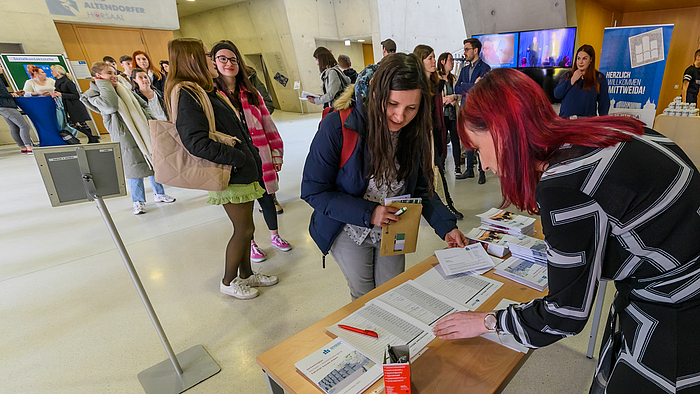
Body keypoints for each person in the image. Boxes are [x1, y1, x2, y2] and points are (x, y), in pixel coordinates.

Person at [434, 67, 700, 394]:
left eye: (478, 149)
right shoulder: (599, 130)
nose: (485, 165)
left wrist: (488, 321)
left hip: (679, 309)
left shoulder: (564, 185)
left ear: (501, 131)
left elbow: (565, 314)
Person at [301, 53, 467, 300]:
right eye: (392, 104)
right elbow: (314, 191)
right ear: (376, 94)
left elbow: (420, 188)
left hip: (395, 226)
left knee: (393, 291)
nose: (400, 117)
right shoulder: (338, 126)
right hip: (348, 228)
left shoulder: (414, 132)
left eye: (411, 107)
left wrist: (446, 227)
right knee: (364, 294)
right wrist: (371, 213)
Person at [167, 38, 277, 299]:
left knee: (247, 228)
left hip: (240, 171)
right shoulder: (187, 93)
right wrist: (238, 157)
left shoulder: (204, 89)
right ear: (192, 60)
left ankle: (247, 276)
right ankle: (228, 282)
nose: (212, 59)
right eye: (207, 55)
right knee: (244, 230)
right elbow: (196, 142)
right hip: (231, 174)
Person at [210, 40, 292, 264]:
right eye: (223, 59)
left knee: (268, 197)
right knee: (245, 206)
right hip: (235, 159)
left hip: (260, 156)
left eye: (233, 59)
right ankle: (252, 244)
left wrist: (276, 154)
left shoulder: (251, 93)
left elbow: (268, 125)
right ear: (214, 63)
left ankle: (275, 236)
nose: (229, 63)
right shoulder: (212, 96)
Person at [81, 62, 175, 215]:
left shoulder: (123, 88)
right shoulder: (91, 94)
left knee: (151, 161)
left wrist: (151, 122)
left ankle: (159, 193)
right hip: (123, 134)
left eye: (114, 72)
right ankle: (138, 201)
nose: (113, 76)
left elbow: (143, 105)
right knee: (133, 168)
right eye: (108, 73)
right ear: (98, 77)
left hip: (142, 129)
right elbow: (110, 105)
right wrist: (103, 84)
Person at [414, 45, 463, 220]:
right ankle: (440, 208)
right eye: (430, 58)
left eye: (434, 57)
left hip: (435, 134)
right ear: (420, 61)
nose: (434, 61)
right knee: (425, 175)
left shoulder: (436, 84)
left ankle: (444, 207)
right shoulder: (416, 86)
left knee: (438, 170)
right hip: (420, 137)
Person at [455, 38, 491, 184]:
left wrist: (465, 85)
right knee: (468, 140)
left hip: (479, 110)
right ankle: (469, 170)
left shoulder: (485, 68)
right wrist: (470, 85)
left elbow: (480, 88)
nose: (464, 53)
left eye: (467, 49)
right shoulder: (464, 69)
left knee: (480, 141)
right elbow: (457, 87)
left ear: (475, 50)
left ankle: (482, 171)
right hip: (465, 109)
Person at [554, 44, 610, 118]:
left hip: (587, 124)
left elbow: (604, 103)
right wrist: (572, 80)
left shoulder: (599, 78)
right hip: (566, 122)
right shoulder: (568, 75)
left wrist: (603, 122)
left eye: (584, 59)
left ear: (591, 60)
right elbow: (557, 94)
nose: (580, 62)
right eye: (578, 58)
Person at [51, 65, 100, 143]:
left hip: (74, 106)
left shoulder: (68, 82)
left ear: (58, 72)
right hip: (67, 105)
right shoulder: (57, 82)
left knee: (81, 123)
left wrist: (62, 95)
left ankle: (92, 138)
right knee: (73, 124)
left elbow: (76, 95)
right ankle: (92, 137)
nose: (51, 72)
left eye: (52, 71)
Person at [437, 52, 461, 175]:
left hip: (452, 114)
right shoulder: (436, 78)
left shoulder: (455, 78)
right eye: (450, 60)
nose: (452, 63)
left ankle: (457, 167)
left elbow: (460, 93)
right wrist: (444, 100)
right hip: (441, 115)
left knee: (455, 139)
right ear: (443, 62)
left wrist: (454, 97)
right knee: (442, 141)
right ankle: (441, 166)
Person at [0, 66, 33, 153]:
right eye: (0, 66)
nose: (2, 68)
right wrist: (12, 95)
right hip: (6, 106)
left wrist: (14, 93)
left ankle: (23, 147)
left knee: (14, 127)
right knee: (24, 126)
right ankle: (28, 146)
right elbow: (2, 93)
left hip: (3, 107)